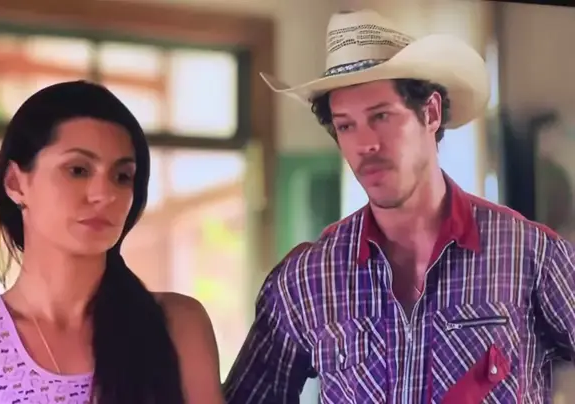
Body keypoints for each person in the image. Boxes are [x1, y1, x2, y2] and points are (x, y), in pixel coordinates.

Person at [224, 9, 575, 404]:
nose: (365, 144)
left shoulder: (530, 255)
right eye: (346, 125)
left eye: (382, 116)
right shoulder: (308, 279)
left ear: (431, 113)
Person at [0, 81, 225, 404]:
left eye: (122, 176)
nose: (104, 194)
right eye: (78, 170)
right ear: (16, 183)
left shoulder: (176, 326)